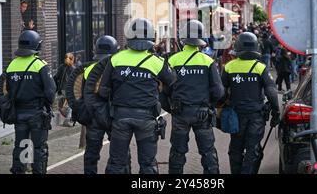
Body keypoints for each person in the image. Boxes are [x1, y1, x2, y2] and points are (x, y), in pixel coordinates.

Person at [96, 18, 176, 174]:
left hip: (120, 118)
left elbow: (103, 91)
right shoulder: (157, 62)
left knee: (117, 164)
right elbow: (173, 83)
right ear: (151, 38)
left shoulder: (116, 59)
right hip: (146, 119)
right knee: (148, 165)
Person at [164, 20, 224, 174]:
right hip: (202, 114)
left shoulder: (172, 60)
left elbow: (163, 92)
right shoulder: (208, 61)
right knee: (208, 152)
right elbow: (218, 92)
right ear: (201, 40)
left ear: (182, 39)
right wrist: (209, 105)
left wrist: (171, 108)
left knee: (177, 152)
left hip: (179, 114)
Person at [0, 30, 56, 174]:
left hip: (19, 113)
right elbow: (51, 90)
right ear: (37, 45)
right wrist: (48, 105)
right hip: (37, 113)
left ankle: (19, 171)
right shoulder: (40, 65)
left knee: (21, 145)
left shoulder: (12, 65)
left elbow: (5, 88)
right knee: (39, 148)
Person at [221, 32, 280, 174]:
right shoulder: (260, 67)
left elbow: (220, 92)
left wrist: (222, 106)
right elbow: (271, 91)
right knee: (252, 150)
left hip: (236, 116)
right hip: (256, 116)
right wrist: (276, 110)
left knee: (235, 149)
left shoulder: (229, 67)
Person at [79, 36, 121, 174]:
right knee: (120, 153)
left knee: (91, 153)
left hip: (94, 116)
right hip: (113, 116)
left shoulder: (89, 69)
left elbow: (84, 93)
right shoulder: (118, 68)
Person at [54, 53, 75, 126]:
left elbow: (56, 77)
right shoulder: (73, 69)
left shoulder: (61, 67)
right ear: (72, 60)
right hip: (69, 89)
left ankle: (61, 107)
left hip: (62, 88)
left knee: (65, 101)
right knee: (70, 104)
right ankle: (67, 119)